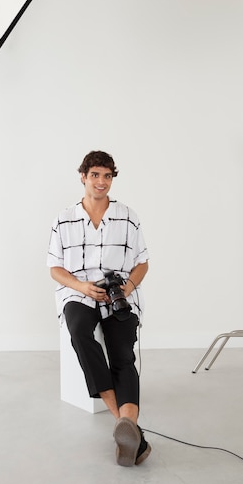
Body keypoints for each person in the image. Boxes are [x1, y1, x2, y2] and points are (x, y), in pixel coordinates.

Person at [47, 150, 151, 467]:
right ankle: (126, 424)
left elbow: (142, 263)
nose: (101, 181)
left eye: (107, 175)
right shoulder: (64, 219)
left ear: (112, 178)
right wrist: (82, 287)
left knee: (122, 353)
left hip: (119, 292)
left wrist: (127, 289)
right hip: (78, 292)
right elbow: (54, 268)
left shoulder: (128, 216)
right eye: (95, 175)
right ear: (83, 176)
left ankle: (127, 428)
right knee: (79, 331)